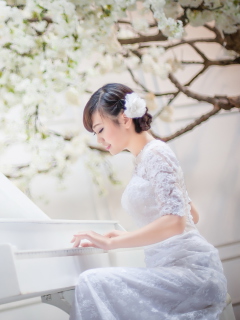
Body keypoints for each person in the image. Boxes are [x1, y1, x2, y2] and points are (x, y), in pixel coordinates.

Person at [69, 83, 227, 320]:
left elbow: (176, 222)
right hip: (170, 269)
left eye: (100, 129)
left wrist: (113, 244)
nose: (99, 139)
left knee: (91, 281)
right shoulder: (145, 158)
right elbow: (191, 215)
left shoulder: (155, 153)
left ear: (124, 119)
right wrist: (120, 236)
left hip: (191, 274)